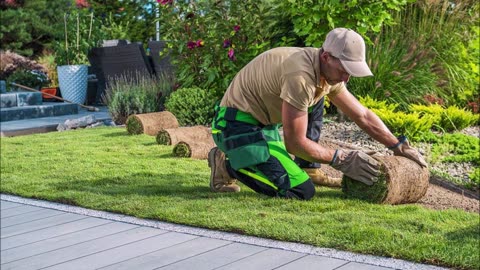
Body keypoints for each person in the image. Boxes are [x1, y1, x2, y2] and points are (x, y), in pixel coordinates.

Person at [208, 28, 427, 200]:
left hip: (264, 128)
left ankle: (300, 166)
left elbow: (362, 115)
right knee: (301, 192)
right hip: (235, 126)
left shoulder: (326, 74)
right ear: (325, 56)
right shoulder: (301, 76)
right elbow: (294, 143)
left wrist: (398, 145)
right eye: (343, 70)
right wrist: (340, 158)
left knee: (318, 98)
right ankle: (227, 163)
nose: (346, 79)